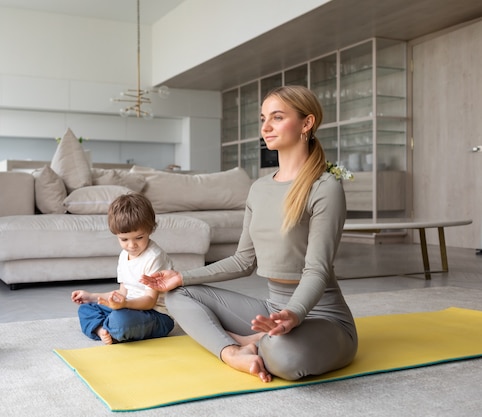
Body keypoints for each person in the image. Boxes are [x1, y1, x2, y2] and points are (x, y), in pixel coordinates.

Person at [141, 85, 358, 382]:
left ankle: (252, 341)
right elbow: (244, 261)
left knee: (286, 359)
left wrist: (294, 314)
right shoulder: (259, 189)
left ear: (306, 123)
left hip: (323, 317)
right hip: (273, 308)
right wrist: (182, 276)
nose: (266, 127)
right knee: (177, 295)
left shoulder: (325, 188)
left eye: (277, 118)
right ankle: (233, 351)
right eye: (263, 118)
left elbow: (317, 270)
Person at [71, 193, 175, 345]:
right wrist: (92, 296)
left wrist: (124, 305)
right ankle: (102, 330)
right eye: (124, 239)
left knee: (121, 320)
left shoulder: (154, 257)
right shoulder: (124, 256)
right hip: (128, 307)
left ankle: (111, 327)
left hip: (156, 315)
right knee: (86, 309)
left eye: (139, 238)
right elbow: (122, 293)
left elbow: (150, 301)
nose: (131, 245)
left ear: (150, 230)